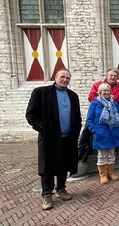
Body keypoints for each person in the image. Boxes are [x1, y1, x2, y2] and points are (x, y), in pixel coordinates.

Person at [26, 69, 82, 211]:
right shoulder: (41, 92)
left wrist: (76, 131)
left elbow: (77, 116)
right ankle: (46, 195)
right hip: (50, 138)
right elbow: (30, 114)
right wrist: (42, 128)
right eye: (62, 77)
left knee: (64, 164)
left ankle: (61, 188)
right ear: (55, 77)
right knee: (48, 167)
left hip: (68, 138)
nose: (65, 80)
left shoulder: (73, 96)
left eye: (67, 78)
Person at [86, 83, 119, 185]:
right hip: (101, 132)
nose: (107, 92)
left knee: (111, 154)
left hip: (113, 132)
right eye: (104, 91)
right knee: (102, 155)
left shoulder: (114, 104)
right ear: (100, 92)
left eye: (108, 90)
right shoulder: (95, 104)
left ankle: (110, 172)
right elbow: (89, 120)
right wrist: (95, 130)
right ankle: (103, 175)